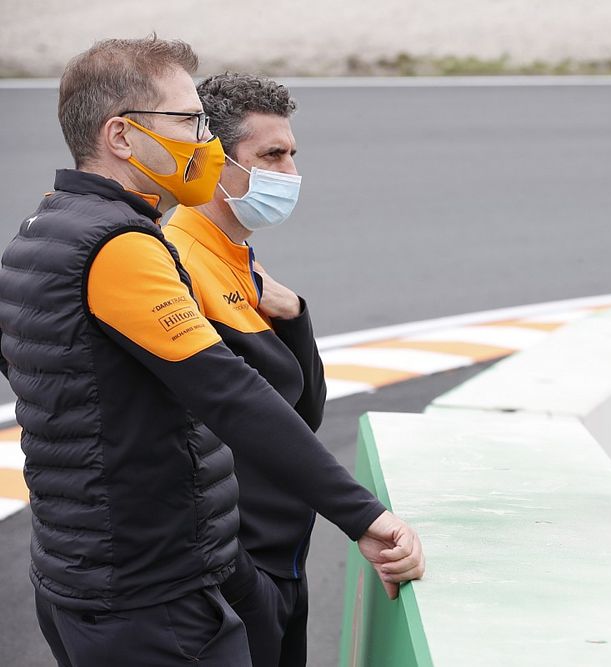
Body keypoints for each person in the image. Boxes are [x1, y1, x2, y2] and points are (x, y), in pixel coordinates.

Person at [0, 37, 423, 667]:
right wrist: (366, 518)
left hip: (81, 580)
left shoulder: (42, 228)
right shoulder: (119, 246)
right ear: (121, 135)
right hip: (153, 599)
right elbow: (229, 392)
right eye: (187, 121)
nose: (204, 141)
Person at [161, 72, 321, 666]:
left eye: (293, 154)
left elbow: (302, 414)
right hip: (234, 567)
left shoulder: (239, 260)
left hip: (281, 558)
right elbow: (244, 414)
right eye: (271, 155)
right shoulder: (176, 258)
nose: (289, 173)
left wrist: (295, 315)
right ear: (214, 163)